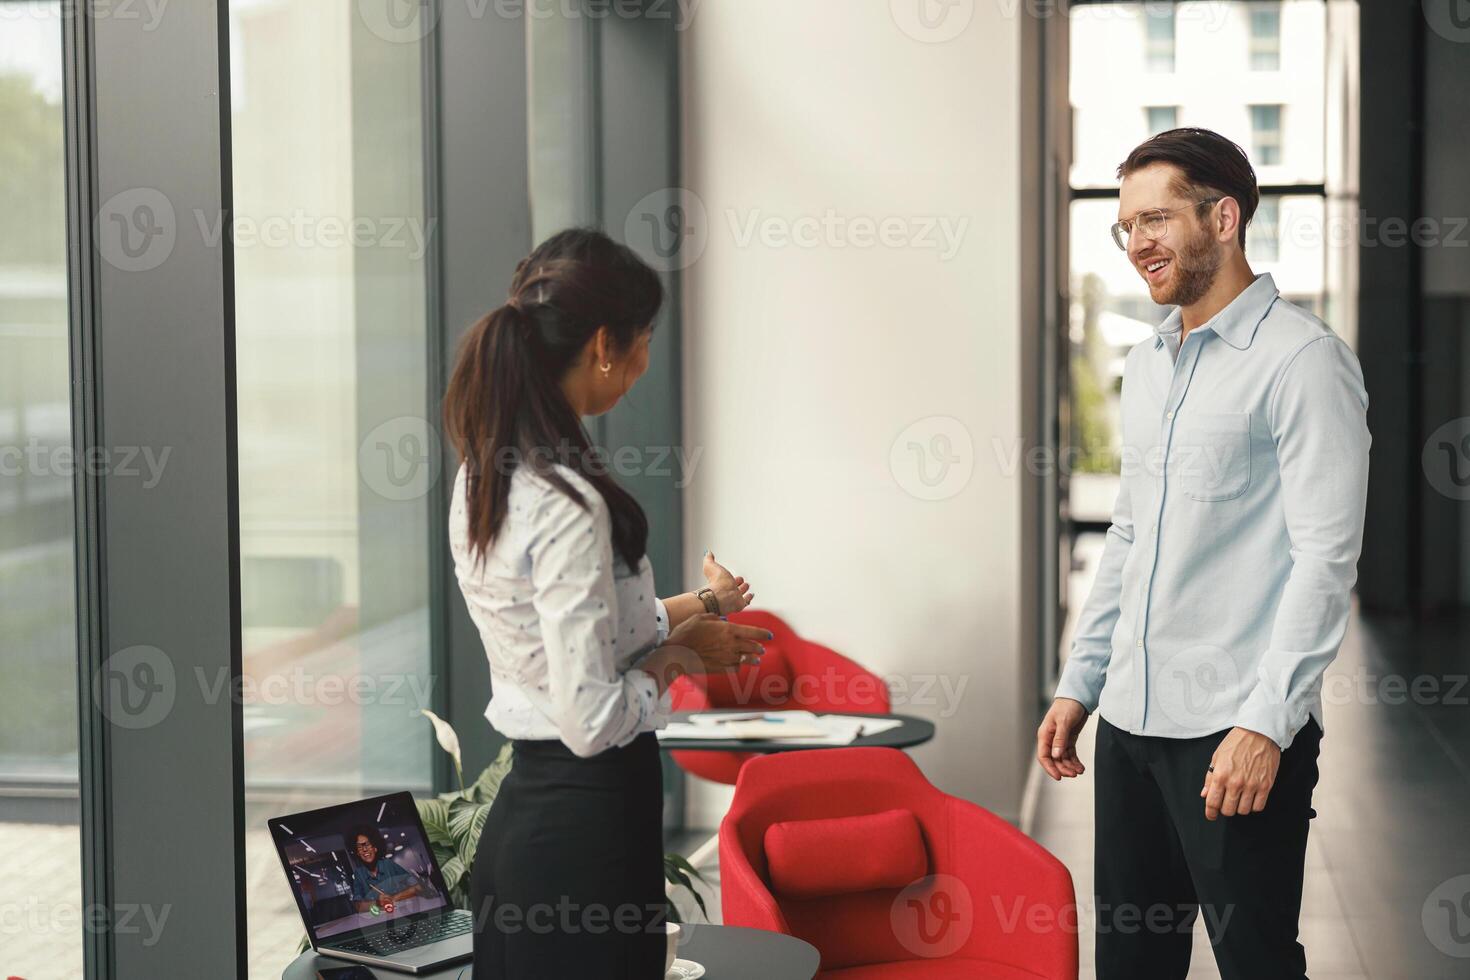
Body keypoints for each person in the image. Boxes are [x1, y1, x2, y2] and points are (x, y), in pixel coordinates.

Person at [1035, 128, 1370, 979]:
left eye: (1156, 219)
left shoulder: (1304, 362)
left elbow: (1325, 560)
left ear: (1224, 218)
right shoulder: (1150, 366)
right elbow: (1130, 535)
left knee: (1255, 960)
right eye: (1126, 226)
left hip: (1234, 725)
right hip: (1134, 724)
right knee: (1132, 961)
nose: (1137, 243)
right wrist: (1082, 682)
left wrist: (1266, 722)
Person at [444, 228, 772, 978]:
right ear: (603, 344)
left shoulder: (485, 477)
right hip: (585, 835)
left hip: (532, 827)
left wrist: (702, 604)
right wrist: (681, 658)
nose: (642, 365)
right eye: (642, 341)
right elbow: (591, 720)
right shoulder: (567, 500)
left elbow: (574, 635)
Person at [347, 826, 422, 915]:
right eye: (359, 847)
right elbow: (357, 906)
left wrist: (394, 898)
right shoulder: (359, 874)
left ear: (375, 848)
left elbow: (418, 887)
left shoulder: (388, 864)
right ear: (358, 853)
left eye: (367, 844)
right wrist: (377, 903)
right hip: (379, 919)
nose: (364, 849)